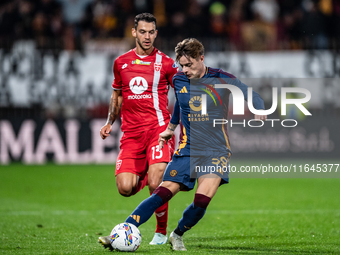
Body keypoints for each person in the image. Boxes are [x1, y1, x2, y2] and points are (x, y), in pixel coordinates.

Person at [120, 38, 267, 251]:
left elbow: (250, 93)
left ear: (201, 58)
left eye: (189, 65)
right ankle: (124, 228)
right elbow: (181, 103)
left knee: (201, 201)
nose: (185, 70)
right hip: (187, 148)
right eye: (182, 65)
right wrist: (171, 128)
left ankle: (177, 234)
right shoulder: (179, 80)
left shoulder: (221, 78)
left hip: (216, 150)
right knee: (161, 193)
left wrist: (259, 108)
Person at [98, 13, 178, 248]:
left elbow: (184, 93)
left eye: (151, 32)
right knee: (125, 188)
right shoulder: (121, 62)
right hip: (131, 134)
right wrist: (109, 122)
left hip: (158, 130)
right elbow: (117, 95)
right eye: (142, 32)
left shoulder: (165, 63)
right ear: (134, 32)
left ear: (156, 33)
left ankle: (161, 232)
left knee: (156, 182)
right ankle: (149, 174)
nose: (147, 36)